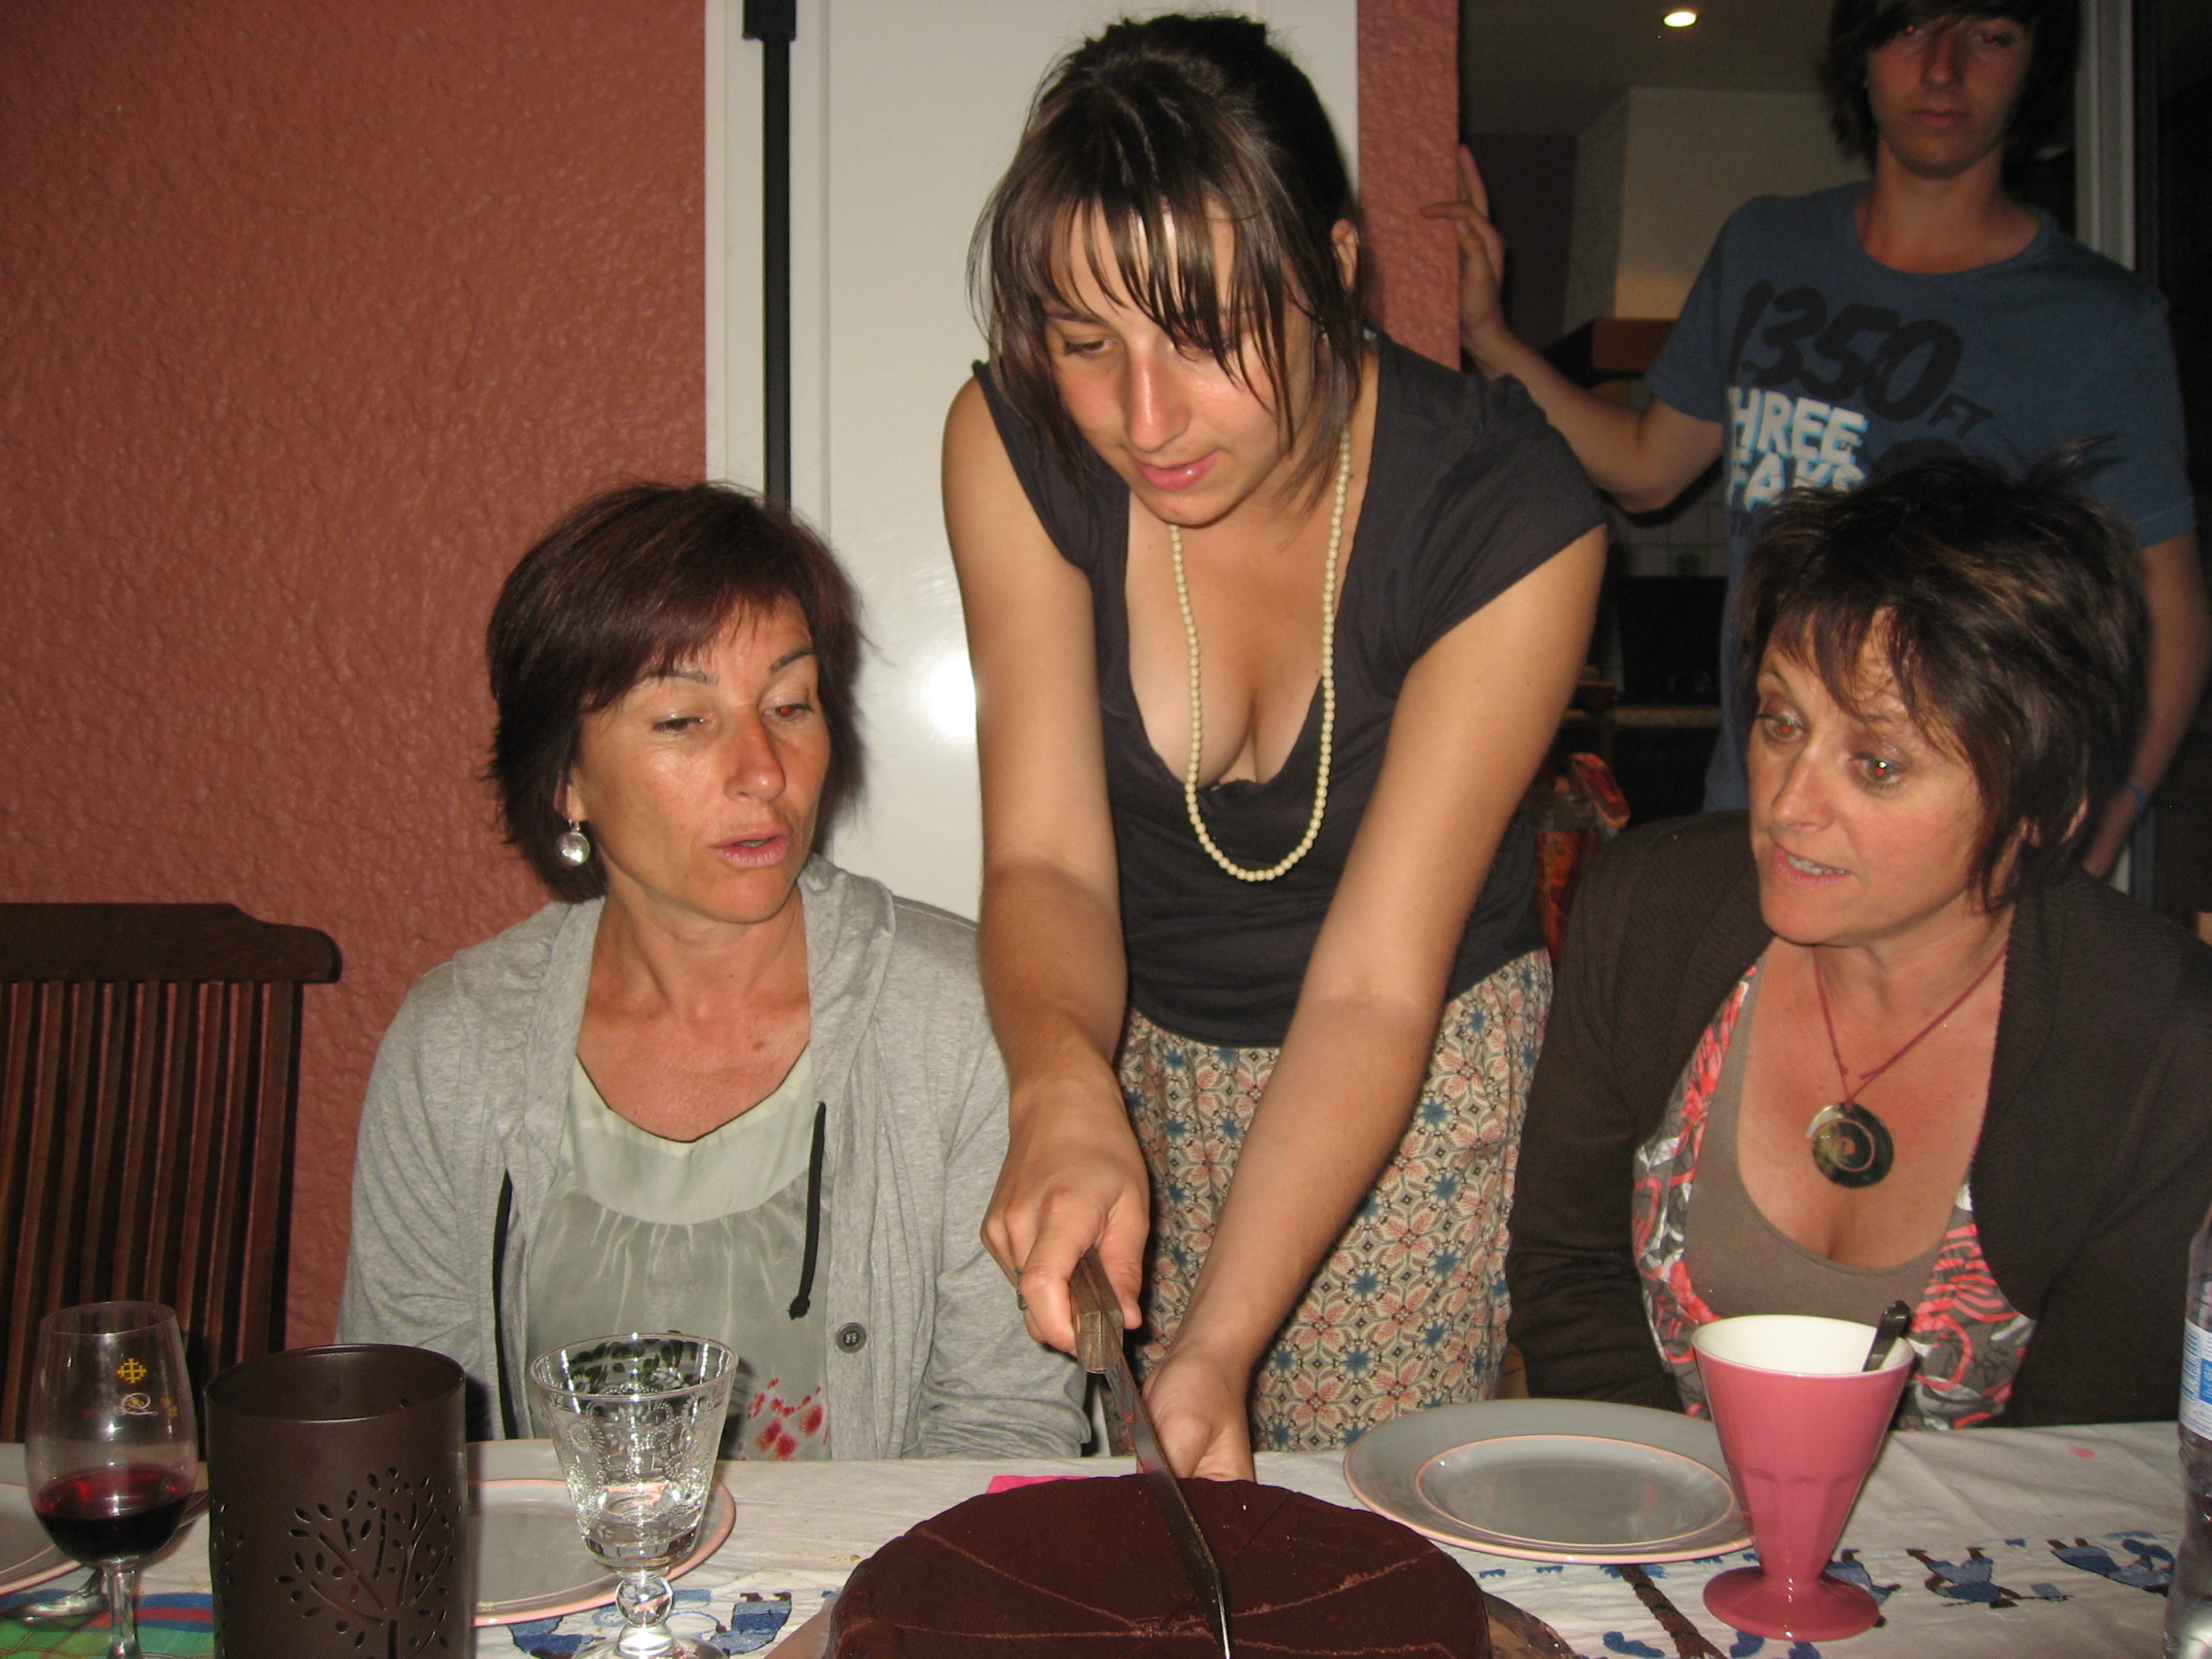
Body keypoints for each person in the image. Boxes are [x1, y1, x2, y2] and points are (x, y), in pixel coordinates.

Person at [944, 14, 1606, 1478]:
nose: (1144, 416)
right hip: (1139, 1047)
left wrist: (1219, 1342)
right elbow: (1048, 860)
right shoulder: (1016, 445)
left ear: (1335, 266)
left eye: (1206, 333)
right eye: (1086, 342)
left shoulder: (1506, 514)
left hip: (1407, 1073)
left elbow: (1375, 984)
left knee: (1344, 1523)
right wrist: (1061, 1079)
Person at [338, 483, 1086, 1458]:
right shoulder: (457, 1043)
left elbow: (1008, 1426)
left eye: (789, 705)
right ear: (565, 777)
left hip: (887, 1561)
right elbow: (404, 1430)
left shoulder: (961, 1019)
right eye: (684, 721)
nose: (763, 770)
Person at [1507, 455, 2212, 1427]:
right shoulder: (1650, 909)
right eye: (1781, 723)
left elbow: (2087, 1450)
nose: (1789, 804)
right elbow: (1568, 1272)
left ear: (2041, 808)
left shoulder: (2164, 1045)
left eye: (1877, 764)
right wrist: (1687, 1492)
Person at [1428, 0, 2206, 867]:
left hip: (1952, 848)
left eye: (1990, 36)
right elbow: (1646, 469)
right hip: (1757, 812)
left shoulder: (2097, 321)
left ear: (2034, 68)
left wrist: (2098, 832)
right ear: (1860, 54)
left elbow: (2169, 614)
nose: (1943, 68)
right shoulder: (1766, 247)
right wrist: (1490, 337)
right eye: (1910, 28)